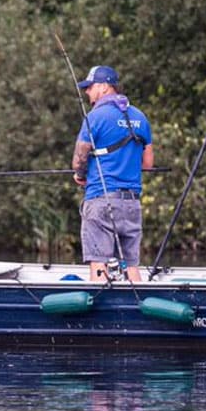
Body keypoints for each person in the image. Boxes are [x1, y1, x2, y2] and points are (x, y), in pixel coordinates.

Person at [71, 65, 154, 282]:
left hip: (100, 200)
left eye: (90, 87)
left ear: (105, 86)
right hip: (131, 203)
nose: (87, 92)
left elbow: (79, 159)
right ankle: (139, 309)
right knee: (131, 264)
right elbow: (147, 164)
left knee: (99, 264)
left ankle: (100, 312)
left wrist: (80, 175)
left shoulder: (95, 117)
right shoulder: (140, 117)